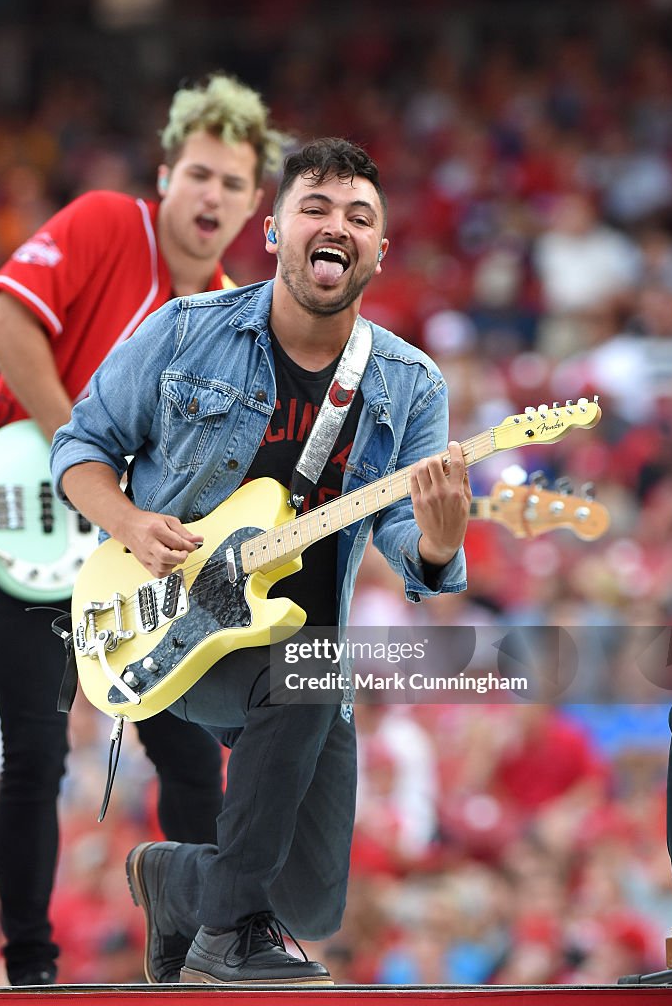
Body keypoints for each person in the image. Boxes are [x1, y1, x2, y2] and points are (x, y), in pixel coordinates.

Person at [50, 138, 471, 985]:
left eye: (359, 217)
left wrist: (437, 540)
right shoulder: (185, 331)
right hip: (175, 628)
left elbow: (403, 540)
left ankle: (180, 885)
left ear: (379, 253)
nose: (336, 226)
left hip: (300, 658)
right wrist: (130, 523)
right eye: (314, 207)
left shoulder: (411, 386)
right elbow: (79, 449)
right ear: (275, 230)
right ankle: (217, 946)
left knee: (309, 905)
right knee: (309, 663)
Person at [0, 75, 287, 986]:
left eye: (231, 183)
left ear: (254, 204)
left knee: (186, 746)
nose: (212, 197)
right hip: (31, 524)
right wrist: (81, 460)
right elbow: (6, 321)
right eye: (199, 175)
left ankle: (206, 945)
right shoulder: (107, 221)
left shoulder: (237, 318)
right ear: (164, 176)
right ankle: (29, 968)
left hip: (132, 553)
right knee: (32, 749)